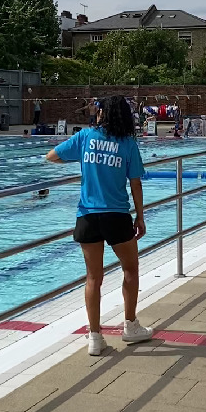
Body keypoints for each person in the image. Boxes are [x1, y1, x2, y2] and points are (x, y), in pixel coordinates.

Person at [45, 95, 152, 356]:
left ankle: (94, 336)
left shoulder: (85, 137)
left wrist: (82, 159)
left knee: (93, 277)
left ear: (102, 113)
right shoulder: (127, 143)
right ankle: (130, 325)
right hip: (117, 215)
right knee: (130, 270)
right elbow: (135, 183)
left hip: (88, 216)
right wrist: (140, 217)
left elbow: (51, 156)